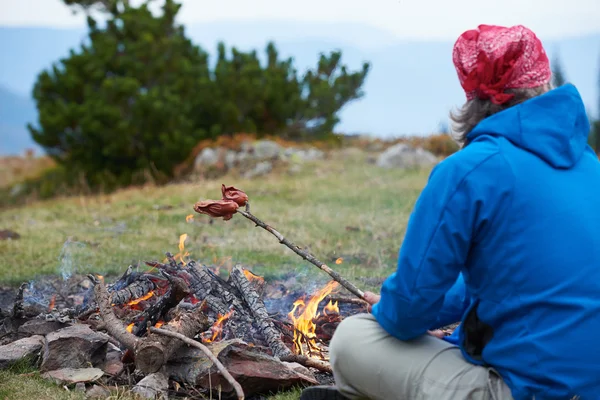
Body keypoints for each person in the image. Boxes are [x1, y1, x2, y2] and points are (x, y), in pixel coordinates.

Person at [300, 24, 600, 400]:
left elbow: (407, 313)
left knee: (353, 338)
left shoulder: (469, 171)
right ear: (543, 83)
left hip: (530, 390)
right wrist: (430, 312)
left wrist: (394, 311)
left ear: (473, 95)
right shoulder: (590, 167)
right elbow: (517, 279)